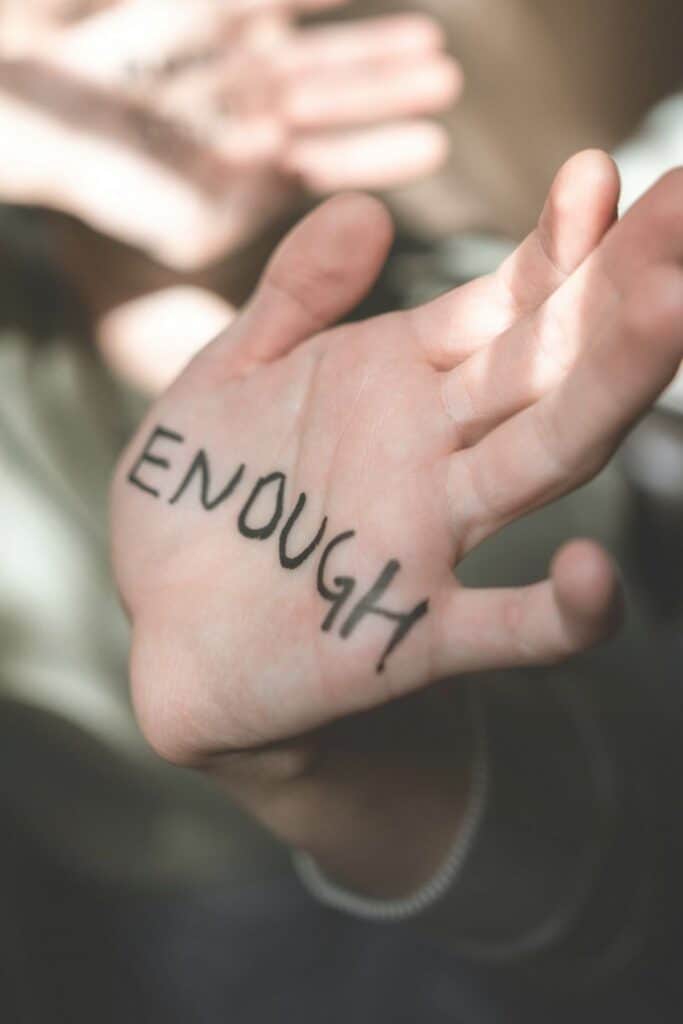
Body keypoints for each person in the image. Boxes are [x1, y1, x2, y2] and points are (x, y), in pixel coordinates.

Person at [110, 150, 683, 1019]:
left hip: (497, 828)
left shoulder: (438, 293)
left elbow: (626, 902)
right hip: (170, 888)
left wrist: (310, 774)